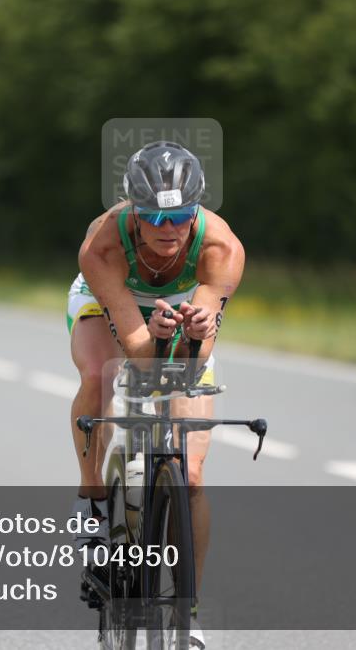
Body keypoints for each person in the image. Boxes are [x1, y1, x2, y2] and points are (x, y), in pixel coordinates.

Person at [69, 141, 244, 647]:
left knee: (188, 471)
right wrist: (157, 337)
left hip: (181, 304)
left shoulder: (221, 249)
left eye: (181, 217)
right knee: (103, 374)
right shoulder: (102, 245)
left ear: (196, 213)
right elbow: (141, 354)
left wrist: (192, 334)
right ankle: (94, 500)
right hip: (112, 300)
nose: (168, 229)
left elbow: (189, 363)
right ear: (134, 213)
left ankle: (188, 610)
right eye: (154, 218)